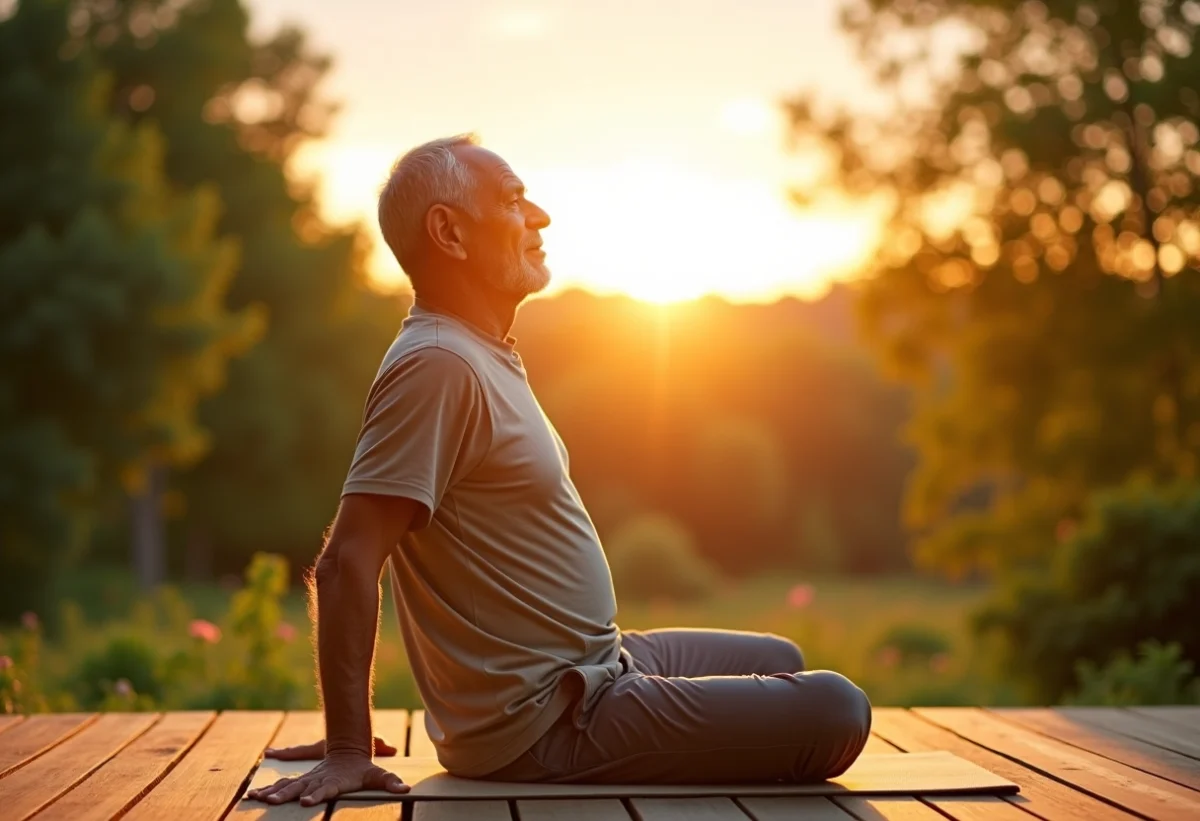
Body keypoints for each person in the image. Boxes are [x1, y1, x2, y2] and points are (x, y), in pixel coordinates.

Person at [247, 135, 872, 808]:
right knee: (838, 709)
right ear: (448, 231)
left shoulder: (478, 351)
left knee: (780, 660)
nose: (539, 216)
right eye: (514, 200)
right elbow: (348, 558)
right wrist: (347, 745)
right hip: (552, 719)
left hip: (602, 664)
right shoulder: (438, 365)